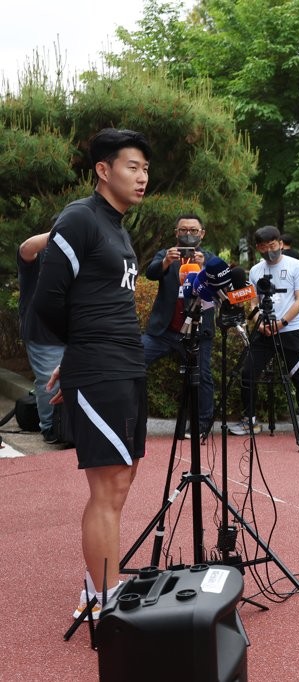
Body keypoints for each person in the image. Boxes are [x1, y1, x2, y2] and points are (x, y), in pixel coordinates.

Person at [32, 128, 151, 619]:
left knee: (122, 482)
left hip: (125, 364)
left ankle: (106, 584)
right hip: (100, 367)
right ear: (104, 171)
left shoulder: (118, 228)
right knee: (108, 486)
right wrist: (78, 353)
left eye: (146, 169)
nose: (142, 177)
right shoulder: (79, 219)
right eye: (132, 167)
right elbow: (47, 302)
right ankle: (100, 598)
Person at [230, 225, 299, 441]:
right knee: (248, 372)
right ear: (258, 247)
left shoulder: (296, 266)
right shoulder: (257, 270)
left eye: (273, 245)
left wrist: (282, 322)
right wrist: (259, 322)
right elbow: (253, 301)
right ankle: (250, 420)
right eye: (264, 247)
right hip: (264, 330)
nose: (270, 250)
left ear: (280, 243)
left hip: (290, 329)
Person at [140, 212, 216, 439]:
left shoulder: (210, 258)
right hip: (164, 331)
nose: (188, 235)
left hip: (197, 332)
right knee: (134, 360)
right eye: (183, 230)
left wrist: (205, 268)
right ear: (176, 233)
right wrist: (165, 262)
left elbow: (223, 285)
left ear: (202, 234)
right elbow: (151, 273)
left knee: (202, 376)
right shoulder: (166, 254)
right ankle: (134, 418)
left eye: (193, 231)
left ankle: (202, 426)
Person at [17, 231, 66, 445]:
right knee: (49, 382)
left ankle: (69, 426)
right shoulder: (39, 256)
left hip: (71, 332)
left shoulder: (76, 259)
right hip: (41, 333)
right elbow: (25, 248)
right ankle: (50, 428)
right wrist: (62, 231)